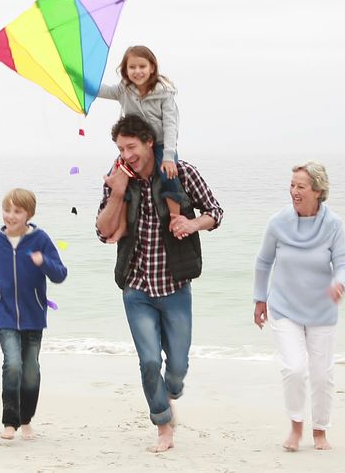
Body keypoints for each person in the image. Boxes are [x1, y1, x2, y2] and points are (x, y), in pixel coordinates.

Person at [94, 114, 224, 453]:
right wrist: (116, 192)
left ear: (149, 142)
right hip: (136, 287)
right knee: (149, 362)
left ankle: (172, 392)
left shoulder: (181, 172)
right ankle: (163, 426)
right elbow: (102, 231)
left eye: (131, 147)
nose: (126, 155)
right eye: (121, 149)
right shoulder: (118, 179)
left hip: (175, 285)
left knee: (177, 368)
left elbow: (215, 212)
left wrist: (191, 224)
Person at [253, 162, 345, 452]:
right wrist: (260, 299)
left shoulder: (333, 225)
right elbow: (263, 262)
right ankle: (296, 428)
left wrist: (339, 282)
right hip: (284, 308)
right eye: (292, 184)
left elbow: (344, 265)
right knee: (295, 369)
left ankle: (320, 431)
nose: (294, 191)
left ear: (318, 191)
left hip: (322, 311)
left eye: (301, 186)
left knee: (322, 375)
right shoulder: (278, 223)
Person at [0, 188, 68, 441]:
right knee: (13, 365)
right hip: (4, 314)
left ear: (29, 213)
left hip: (34, 315)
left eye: (17, 211)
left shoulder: (40, 240)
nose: (10, 215)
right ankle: (10, 422)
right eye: (7, 210)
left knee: (30, 370)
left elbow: (60, 274)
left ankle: (26, 420)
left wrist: (44, 262)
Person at [97, 45, 183, 227]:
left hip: (160, 143)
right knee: (116, 179)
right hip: (136, 146)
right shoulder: (123, 91)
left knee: (168, 175)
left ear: (152, 67)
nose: (137, 71)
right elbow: (100, 90)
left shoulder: (164, 93)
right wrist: (76, 78)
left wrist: (168, 157)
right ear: (125, 70)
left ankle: (175, 217)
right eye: (132, 67)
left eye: (142, 66)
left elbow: (170, 125)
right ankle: (121, 225)